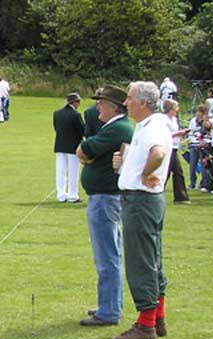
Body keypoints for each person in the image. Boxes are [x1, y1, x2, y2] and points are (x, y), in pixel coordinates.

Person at [112, 81, 172, 339]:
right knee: (153, 258)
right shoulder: (148, 125)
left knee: (141, 262)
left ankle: (145, 324)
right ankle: (157, 317)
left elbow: (158, 153)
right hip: (145, 201)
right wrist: (124, 165)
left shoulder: (153, 127)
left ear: (144, 103)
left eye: (130, 98)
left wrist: (146, 173)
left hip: (141, 202)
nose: (126, 103)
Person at [77, 85, 133, 326]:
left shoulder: (117, 128)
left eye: (101, 103)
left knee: (106, 256)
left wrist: (88, 155)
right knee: (109, 254)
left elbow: (83, 150)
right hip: (105, 198)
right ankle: (108, 305)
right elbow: (86, 153)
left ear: (113, 107)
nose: (97, 106)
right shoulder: (114, 127)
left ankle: (109, 311)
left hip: (105, 199)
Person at [53, 92, 85, 203]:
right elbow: (81, 130)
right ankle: (73, 195)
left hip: (60, 145)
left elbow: (56, 128)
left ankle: (61, 195)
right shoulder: (76, 115)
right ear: (74, 102)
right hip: (73, 146)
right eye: (78, 102)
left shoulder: (57, 113)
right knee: (73, 172)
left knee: (60, 171)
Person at [163, 99, 191, 204]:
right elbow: (164, 134)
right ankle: (157, 192)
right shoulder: (163, 120)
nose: (177, 110)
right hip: (167, 147)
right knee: (166, 172)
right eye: (175, 108)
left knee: (178, 172)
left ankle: (181, 197)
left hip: (174, 147)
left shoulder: (174, 119)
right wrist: (178, 133)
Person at [188, 104, 210, 191]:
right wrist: (193, 141)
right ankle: (192, 183)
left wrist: (201, 142)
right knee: (192, 166)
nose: (198, 113)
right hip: (194, 145)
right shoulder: (193, 121)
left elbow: (206, 134)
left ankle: (203, 184)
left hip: (203, 146)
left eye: (200, 112)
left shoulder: (206, 122)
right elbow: (191, 132)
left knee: (204, 166)